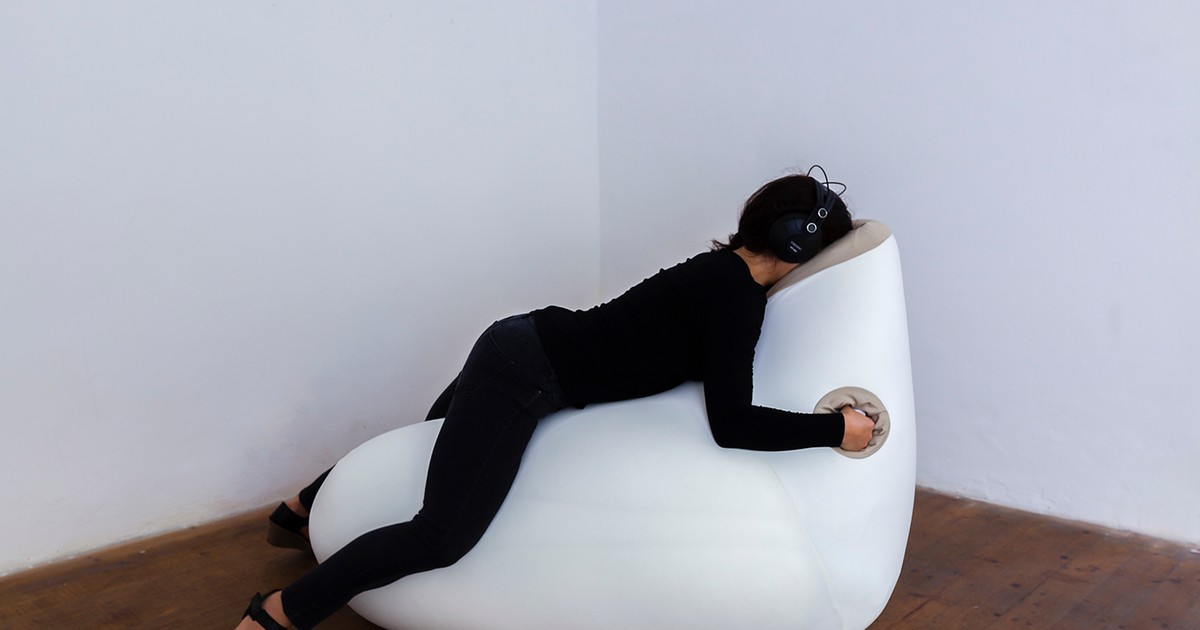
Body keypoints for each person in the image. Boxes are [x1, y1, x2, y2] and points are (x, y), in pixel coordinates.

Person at [237, 169, 876, 630]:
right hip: (526, 374)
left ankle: (300, 508)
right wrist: (835, 430)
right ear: (797, 246)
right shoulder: (736, 300)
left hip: (522, 343)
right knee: (441, 536)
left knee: (428, 442)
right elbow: (731, 424)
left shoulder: (722, 275)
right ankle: (278, 614)